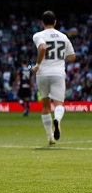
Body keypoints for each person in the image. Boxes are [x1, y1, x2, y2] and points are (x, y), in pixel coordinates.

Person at [31, 10, 75, 145]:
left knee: (45, 106)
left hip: (43, 73)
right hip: (58, 73)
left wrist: (38, 64)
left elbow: (43, 48)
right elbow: (72, 57)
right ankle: (57, 119)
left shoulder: (38, 35)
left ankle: (50, 137)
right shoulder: (63, 37)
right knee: (59, 104)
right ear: (55, 22)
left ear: (42, 22)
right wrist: (61, 57)